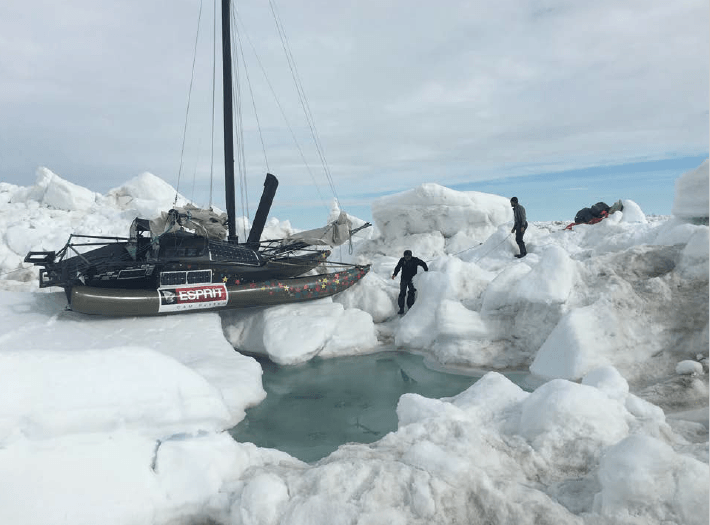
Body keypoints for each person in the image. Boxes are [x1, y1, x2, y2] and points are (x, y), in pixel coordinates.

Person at [391, 250, 428, 314]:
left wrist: (426, 271)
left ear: (411, 256)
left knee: (411, 293)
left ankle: (410, 308)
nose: (407, 258)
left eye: (408, 257)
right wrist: (394, 274)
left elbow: (423, 264)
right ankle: (401, 309)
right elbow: (398, 267)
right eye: (405, 257)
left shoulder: (415, 260)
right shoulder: (402, 260)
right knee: (402, 293)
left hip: (412, 279)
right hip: (404, 279)